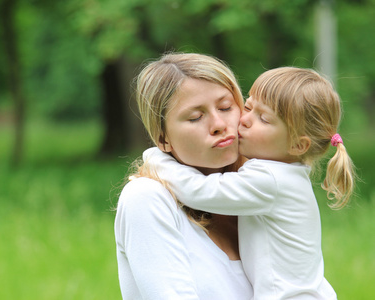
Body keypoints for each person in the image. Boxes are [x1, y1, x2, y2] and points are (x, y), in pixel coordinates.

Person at [145, 66, 356, 299]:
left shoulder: (271, 180)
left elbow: (201, 191)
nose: (244, 121)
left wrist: (156, 158)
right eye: (247, 106)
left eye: (263, 119)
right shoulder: (284, 175)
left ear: (297, 145)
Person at [114, 52, 253, 299]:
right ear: (162, 138)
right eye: (195, 117)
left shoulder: (259, 194)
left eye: (226, 107)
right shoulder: (148, 198)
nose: (219, 124)